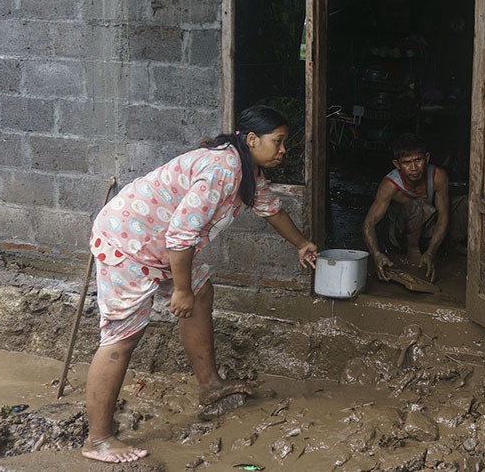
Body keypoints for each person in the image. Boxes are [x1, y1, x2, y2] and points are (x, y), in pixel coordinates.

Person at [81, 105, 319, 464]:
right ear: (252, 140)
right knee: (123, 336)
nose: (284, 150)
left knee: (202, 292)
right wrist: (180, 291)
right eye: (279, 142)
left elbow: (271, 209)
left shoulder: (246, 169)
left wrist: (302, 244)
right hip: (129, 242)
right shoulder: (223, 170)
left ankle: (210, 385)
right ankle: (98, 439)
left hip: (160, 243)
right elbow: (180, 237)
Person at [362, 133, 454, 282]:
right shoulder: (390, 185)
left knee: (464, 204)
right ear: (397, 165)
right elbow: (369, 222)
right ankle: (413, 253)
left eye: (418, 160)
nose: (414, 168)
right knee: (418, 205)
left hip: (429, 229)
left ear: (427, 158)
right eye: (406, 162)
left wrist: (431, 252)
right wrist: (376, 254)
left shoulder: (438, 176)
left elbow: (443, 216)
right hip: (401, 235)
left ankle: (447, 247)